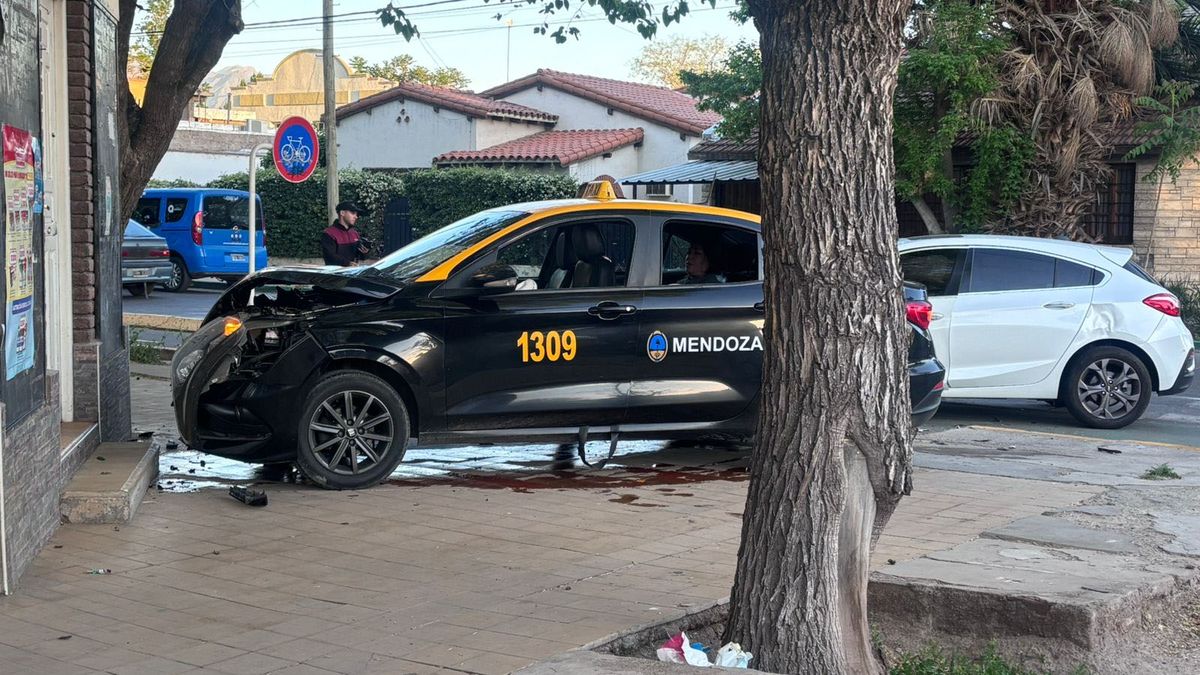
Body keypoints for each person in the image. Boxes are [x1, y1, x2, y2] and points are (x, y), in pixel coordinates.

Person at [321, 201, 371, 266]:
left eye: (356, 214)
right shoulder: (329, 233)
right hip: (335, 274)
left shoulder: (354, 233)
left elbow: (360, 257)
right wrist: (348, 263)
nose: (356, 217)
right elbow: (330, 257)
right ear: (342, 213)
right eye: (353, 213)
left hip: (352, 273)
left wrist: (364, 253)